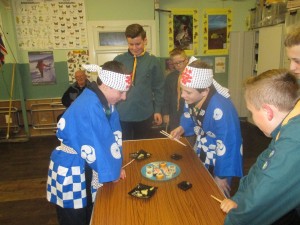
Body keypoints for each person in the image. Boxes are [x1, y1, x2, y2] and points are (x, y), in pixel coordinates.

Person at [46, 61, 131, 225]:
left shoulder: (102, 101)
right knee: (75, 217)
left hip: (84, 162)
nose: (124, 97)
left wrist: (116, 165)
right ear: (106, 85)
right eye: (121, 92)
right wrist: (112, 171)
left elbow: (109, 136)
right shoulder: (89, 104)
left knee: (89, 212)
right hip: (72, 166)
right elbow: (95, 145)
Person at [220, 69, 300, 225]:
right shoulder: (288, 124)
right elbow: (263, 166)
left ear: (268, 112)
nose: (251, 118)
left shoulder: (293, 142)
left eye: (251, 112)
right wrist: (239, 198)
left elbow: (261, 199)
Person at [170, 58, 243, 197]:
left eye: (188, 92)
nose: (183, 95)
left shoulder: (222, 108)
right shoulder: (192, 96)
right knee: (202, 187)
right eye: (182, 90)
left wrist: (221, 176)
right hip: (203, 147)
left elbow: (229, 143)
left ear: (205, 92)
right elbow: (189, 115)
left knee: (218, 193)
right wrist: (182, 128)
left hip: (221, 155)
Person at [114, 23, 164, 140]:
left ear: (145, 40)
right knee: (124, 148)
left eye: (138, 44)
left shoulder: (153, 61)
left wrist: (157, 110)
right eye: (131, 44)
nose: (135, 48)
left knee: (143, 149)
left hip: (145, 115)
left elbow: (159, 88)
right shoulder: (119, 60)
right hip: (122, 115)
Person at [162, 48, 189, 132]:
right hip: (174, 114)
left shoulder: (193, 75)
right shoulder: (170, 77)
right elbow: (166, 97)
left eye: (180, 62)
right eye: (175, 63)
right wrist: (166, 113)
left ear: (186, 60)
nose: (178, 65)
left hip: (189, 113)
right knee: (175, 136)